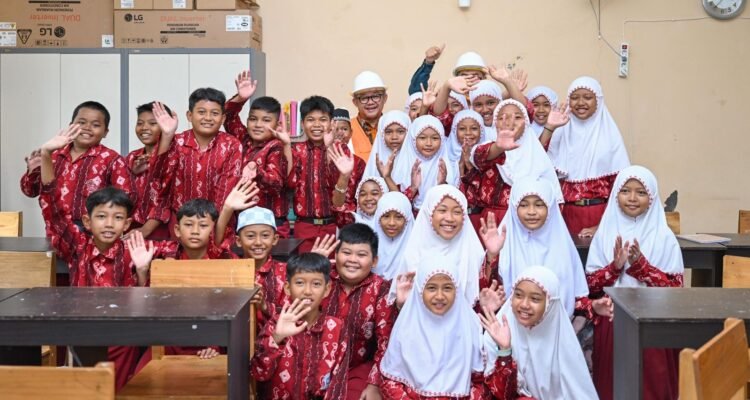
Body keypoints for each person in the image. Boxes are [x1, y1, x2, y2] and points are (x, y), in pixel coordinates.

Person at [36, 125, 170, 389]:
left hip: (123, 337)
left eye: (118, 218)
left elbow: (144, 306)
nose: (109, 224)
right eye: (101, 217)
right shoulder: (77, 246)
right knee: (86, 388)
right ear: (87, 221)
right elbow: (53, 208)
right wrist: (46, 155)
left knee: (121, 388)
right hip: (83, 332)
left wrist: (143, 271)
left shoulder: (133, 250)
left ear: (127, 223)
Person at [586, 165, 683, 400]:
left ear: (652, 197)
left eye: (640, 192)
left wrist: (642, 268)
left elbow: (676, 290)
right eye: (625, 191)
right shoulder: (604, 233)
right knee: (614, 383)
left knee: (652, 385)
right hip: (613, 317)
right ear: (615, 194)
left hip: (654, 320)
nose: (632, 198)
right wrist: (615, 267)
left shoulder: (664, 237)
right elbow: (591, 286)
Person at [379, 255, 512, 399]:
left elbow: (481, 383)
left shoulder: (470, 327)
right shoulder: (407, 327)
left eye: (447, 288)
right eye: (431, 288)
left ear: (457, 290)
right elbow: (389, 381)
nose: (440, 296)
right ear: (420, 290)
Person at [481, 266, 599, 399]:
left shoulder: (564, 344)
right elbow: (502, 394)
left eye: (535, 299)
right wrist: (505, 351)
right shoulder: (496, 335)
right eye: (518, 295)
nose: (524, 305)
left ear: (550, 304)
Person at [313, 223, 396, 400]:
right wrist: (312, 269)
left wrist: (374, 384)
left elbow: (385, 342)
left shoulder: (381, 290)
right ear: (335, 255)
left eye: (361, 255)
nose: (352, 260)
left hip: (357, 368)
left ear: (374, 261)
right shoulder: (321, 279)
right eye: (346, 252)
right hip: (314, 362)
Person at [389, 185, 504, 307]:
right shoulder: (412, 255)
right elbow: (402, 307)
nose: (449, 218)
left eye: (457, 212)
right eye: (442, 210)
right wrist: (401, 305)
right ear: (429, 213)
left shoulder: (473, 253)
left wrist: (491, 255)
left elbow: (483, 297)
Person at [21, 101, 134, 225]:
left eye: (95, 125)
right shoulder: (52, 155)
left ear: (105, 132)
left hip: (93, 228)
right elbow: (30, 191)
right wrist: (33, 170)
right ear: (71, 125)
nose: (87, 128)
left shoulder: (112, 159)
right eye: (81, 122)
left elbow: (126, 197)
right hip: (56, 226)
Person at [251, 253, 347, 399]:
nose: (307, 291)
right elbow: (259, 374)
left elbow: (338, 384)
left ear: (327, 289)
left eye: (316, 284)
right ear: (287, 288)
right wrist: (277, 338)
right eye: (300, 283)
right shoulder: (276, 323)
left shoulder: (336, 328)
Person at [149, 88, 243, 237]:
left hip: (219, 223)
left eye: (215, 113)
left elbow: (226, 189)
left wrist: (211, 227)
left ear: (223, 118)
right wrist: (167, 136)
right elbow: (157, 176)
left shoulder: (232, 145)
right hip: (181, 225)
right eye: (201, 112)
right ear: (189, 115)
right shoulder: (176, 142)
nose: (208, 118)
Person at [547, 77, 630, 237]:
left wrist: (601, 226)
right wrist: (550, 127)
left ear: (598, 101)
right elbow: (538, 163)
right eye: (574, 97)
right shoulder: (560, 132)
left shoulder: (610, 137)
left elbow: (620, 189)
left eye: (587, 97)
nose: (580, 103)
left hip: (601, 215)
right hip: (564, 215)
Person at [224, 70, 293, 237]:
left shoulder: (276, 146)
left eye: (266, 120)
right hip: (242, 218)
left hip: (272, 221)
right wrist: (240, 99)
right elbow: (228, 117)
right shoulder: (242, 138)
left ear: (277, 124)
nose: (258, 125)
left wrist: (257, 171)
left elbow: (276, 183)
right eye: (253, 119)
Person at [287, 96, 350, 253]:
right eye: (310, 120)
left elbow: (338, 190)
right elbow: (290, 183)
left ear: (331, 123)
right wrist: (285, 145)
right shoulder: (296, 150)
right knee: (305, 266)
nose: (316, 125)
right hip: (304, 226)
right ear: (302, 124)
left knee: (332, 268)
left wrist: (329, 148)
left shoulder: (341, 150)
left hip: (332, 225)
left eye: (323, 120)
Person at [387, 115, 458, 210]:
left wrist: (442, 184)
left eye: (435, 138)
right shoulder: (403, 165)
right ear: (413, 139)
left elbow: (455, 204)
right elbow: (396, 206)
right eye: (422, 138)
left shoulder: (450, 167)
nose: (429, 143)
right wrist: (413, 188)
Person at [126, 102, 173, 239]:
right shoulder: (132, 157)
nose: (144, 128)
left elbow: (167, 199)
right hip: (132, 228)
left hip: (163, 230)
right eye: (140, 123)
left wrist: (145, 229)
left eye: (153, 123)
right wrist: (132, 173)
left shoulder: (175, 157)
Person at [371, 192, 414, 280]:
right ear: (378, 218)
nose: (391, 223)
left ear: (407, 220)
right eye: (386, 216)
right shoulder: (367, 245)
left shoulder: (417, 249)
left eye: (398, 217)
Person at [350, 71, 388, 161]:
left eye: (375, 96)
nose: (370, 102)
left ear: (385, 98)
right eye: (364, 98)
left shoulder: (395, 126)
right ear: (355, 102)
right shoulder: (345, 129)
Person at [363, 110, 410, 179]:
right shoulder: (375, 163)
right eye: (388, 132)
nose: (394, 137)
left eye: (400, 132)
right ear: (381, 135)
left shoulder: (415, 161)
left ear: (408, 132)